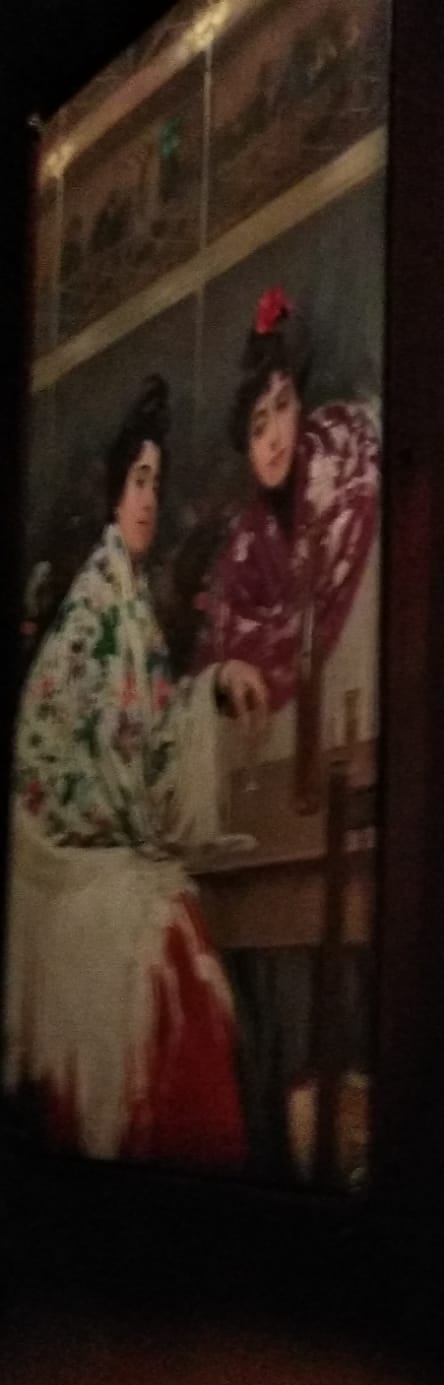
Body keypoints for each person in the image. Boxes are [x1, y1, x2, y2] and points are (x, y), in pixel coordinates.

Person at [7, 376, 268, 1167]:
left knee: (178, 933)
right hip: (73, 867)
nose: (149, 499)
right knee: (159, 942)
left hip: (118, 857)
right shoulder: (93, 607)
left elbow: (152, 733)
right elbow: (51, 753)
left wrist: (213, 685)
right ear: (116, 492)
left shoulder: (134, 609)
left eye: (157, 482)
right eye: (139, 480)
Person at [201, 287, 381, 1179]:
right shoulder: (244, 549)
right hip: (280, 801)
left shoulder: (347, 482)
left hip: (351, 769)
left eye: (281, 409)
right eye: (256, 424)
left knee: (348, 980)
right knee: (279, 978)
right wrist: (226, 676)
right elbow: (223, 644)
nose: (273, 436)